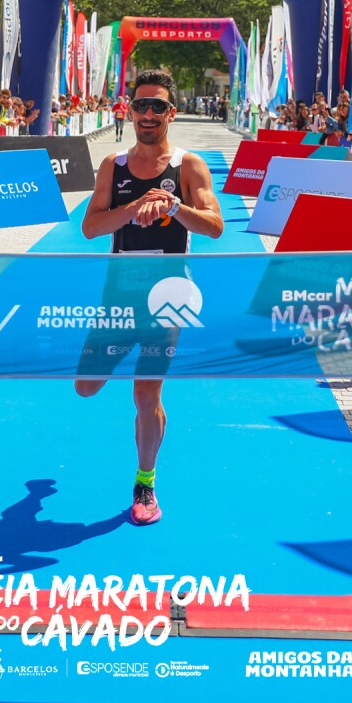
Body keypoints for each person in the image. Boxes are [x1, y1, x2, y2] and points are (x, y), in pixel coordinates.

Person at [77, 70, 223, 527]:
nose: (147, 114)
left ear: (170, 113)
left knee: (145, 393)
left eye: (157, 106)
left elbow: (215, 226)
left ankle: (145, 482)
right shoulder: (113, 165)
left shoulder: (188, 165)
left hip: (169, 297)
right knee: (86, 386)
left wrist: (175, 206)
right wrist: (132, 210)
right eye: (140, 105)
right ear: (130, 110)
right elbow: (90, 227)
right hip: (119, 295)